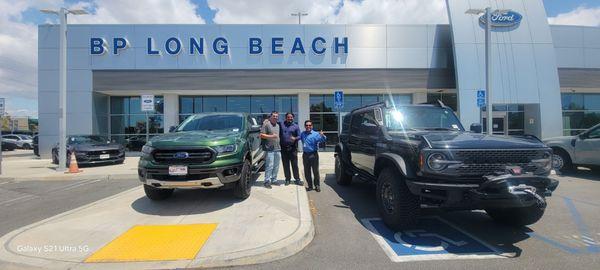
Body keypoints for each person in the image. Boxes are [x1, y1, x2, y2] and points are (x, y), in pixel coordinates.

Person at [300, 120, 327, 192]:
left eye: (309, 125)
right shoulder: (302, 134)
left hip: (313, 154)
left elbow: (322, 140)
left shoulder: (315, 134)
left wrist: (322, 135)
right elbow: (297, 138)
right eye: (306, 125)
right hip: (305, 155)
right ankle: (310, 186)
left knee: (315, 171)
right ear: (305, 126)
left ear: (312, 126)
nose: (308, 126)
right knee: (307, 171)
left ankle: (317, 185)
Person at [279, 112, 302, 186]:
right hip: (283, 148)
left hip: (293, 148)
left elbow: (300, 136)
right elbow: (273, 123)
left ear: (293, 118)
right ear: (286, 117)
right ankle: (287, 179)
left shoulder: (296, 126)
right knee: (286, 164)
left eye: (291, 117)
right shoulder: (281, 124)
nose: (290, 118)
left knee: (294, 164)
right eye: (288, 117)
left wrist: (295, 138)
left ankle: (297, 179)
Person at [260, 111, 281, 189]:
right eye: (274, 116)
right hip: (270, 149)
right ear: (270, 117)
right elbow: (261, 135)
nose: (275, 117)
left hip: (278, 148)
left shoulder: (278, 125)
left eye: (276, 116)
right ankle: (267, 181)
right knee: (269, 166)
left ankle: (274, 179)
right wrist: (271, 136)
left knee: (276, 166)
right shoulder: (266, 124)